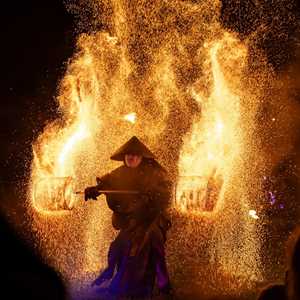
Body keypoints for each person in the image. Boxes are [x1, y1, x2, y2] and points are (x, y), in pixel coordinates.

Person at [84, 136, 173, 299]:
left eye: (135, 155)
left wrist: (153, 196)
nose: (131, 158)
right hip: (133, 221)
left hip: (152, 218)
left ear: (141, 157)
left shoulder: (155, 172)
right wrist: (95, 189)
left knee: (153, 241)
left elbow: (166, 190)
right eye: (128, 155)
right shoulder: (120, 173)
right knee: (118, 247)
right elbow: (106, 183)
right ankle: (116, 279)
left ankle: (162, 282)